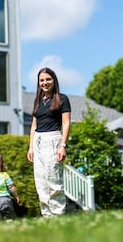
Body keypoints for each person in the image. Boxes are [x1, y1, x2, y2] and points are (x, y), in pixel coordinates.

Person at [27, 67, 71, 217]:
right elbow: (34, 125)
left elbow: (66, 123)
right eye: (42, 80)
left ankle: (58, 215)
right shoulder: (38, 101)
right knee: (41, 182)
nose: (45, 83)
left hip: (53, 140)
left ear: (54, 80)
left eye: (48, 79)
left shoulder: (62, 99)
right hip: (38, 141)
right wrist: (31, 147)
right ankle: (47, 217)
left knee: (53, 180)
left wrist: (63, 146)